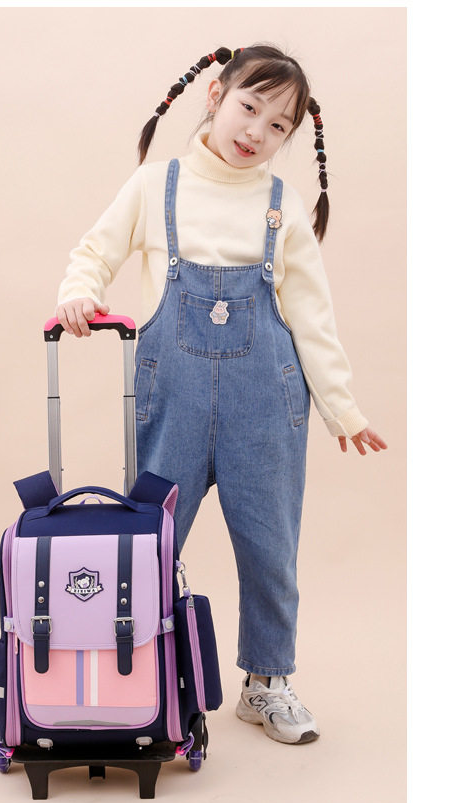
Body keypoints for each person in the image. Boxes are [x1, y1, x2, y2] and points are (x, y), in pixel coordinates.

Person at [55, 44, 388, 744]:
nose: (256, 131)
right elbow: (95, 252)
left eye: (277, 126)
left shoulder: (281, 207)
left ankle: (267, 682)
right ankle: (135, 670)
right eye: (249, 107)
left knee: (270, 546)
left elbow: (311, 318)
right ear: (215, 95)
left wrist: (342, 408)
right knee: (150, 540)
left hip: (266, 403)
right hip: (170, 399)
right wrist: (80, 292)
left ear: (290, 137)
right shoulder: (156, 185)